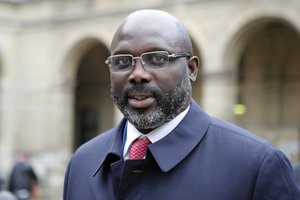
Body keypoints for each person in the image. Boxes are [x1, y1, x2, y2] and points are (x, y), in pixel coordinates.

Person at [63, 9, 300, 200]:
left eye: (157, 59)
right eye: (123, 61)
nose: (137, 74)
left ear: (191, 69)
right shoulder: (83, 163)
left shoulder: (256, 166)